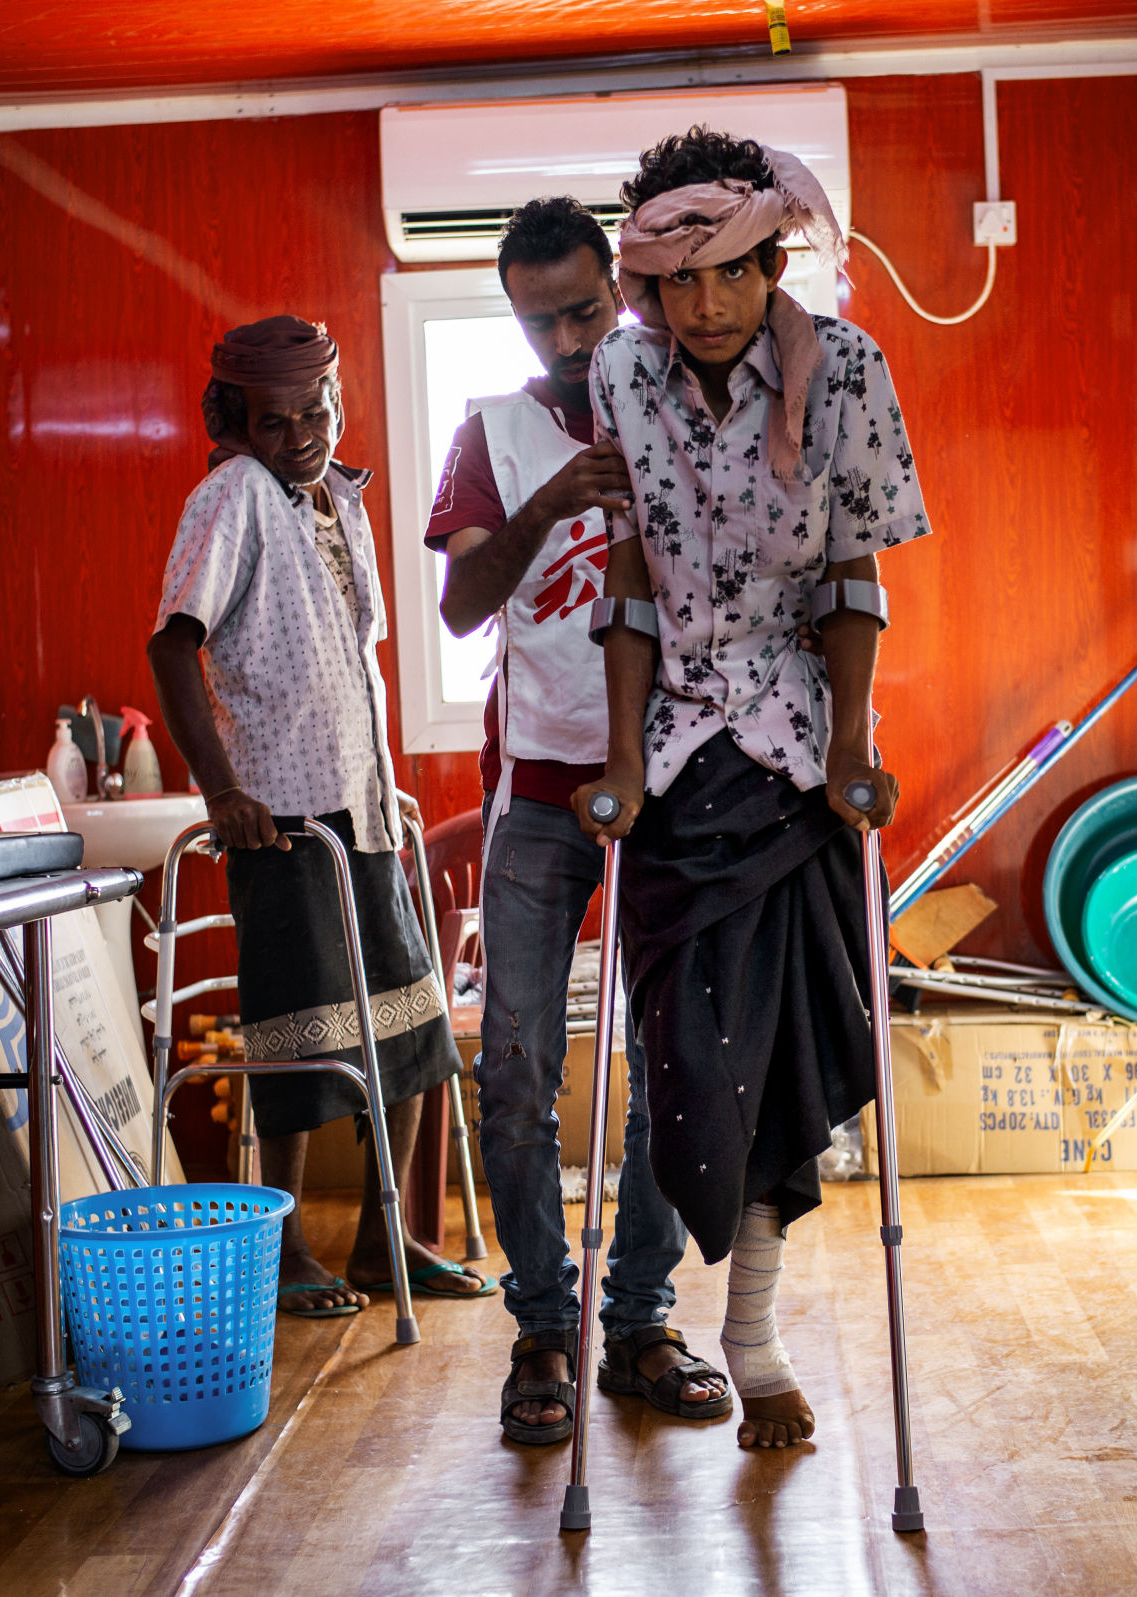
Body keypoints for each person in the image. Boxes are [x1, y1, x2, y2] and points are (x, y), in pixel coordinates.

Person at [573, 128, 932, 1449]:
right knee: (684, 1066)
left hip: (794, 759)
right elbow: (624, 579)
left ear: (772, 259)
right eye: (673, 283)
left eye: (726, 274)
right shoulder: (621, 372)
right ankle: (685, 1303)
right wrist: (619, 759)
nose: (701, 306)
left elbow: (850, 577)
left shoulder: (845, 370)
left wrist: (847, 750)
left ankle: (755, 1335)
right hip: (674, 763)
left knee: (781, 1060)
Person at [429, 197, 732, 1446]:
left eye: (582, 305)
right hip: (540, 796)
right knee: (513, 1072)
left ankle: (642, 1320)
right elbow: (457, 610)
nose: (562, 333)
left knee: (670, 1063)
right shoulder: (492, 433)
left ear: (622, 286)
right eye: (536, 314)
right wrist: (549, 498)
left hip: (672, 783)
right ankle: (540, 1327)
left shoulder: (687, 400)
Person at [146, 315, 492, 1318]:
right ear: (235, 422)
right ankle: (286, 1246)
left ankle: (392, 1241)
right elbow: (174, 648)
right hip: (284, 818)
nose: (300, 432)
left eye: (317, 410)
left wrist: (383, 790)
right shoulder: (233, 497)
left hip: (365, 810)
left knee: (409, 1023)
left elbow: (351, 669)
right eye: (275, 419)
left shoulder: (339, 499)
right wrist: (223, 794)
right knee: (298, 1037)